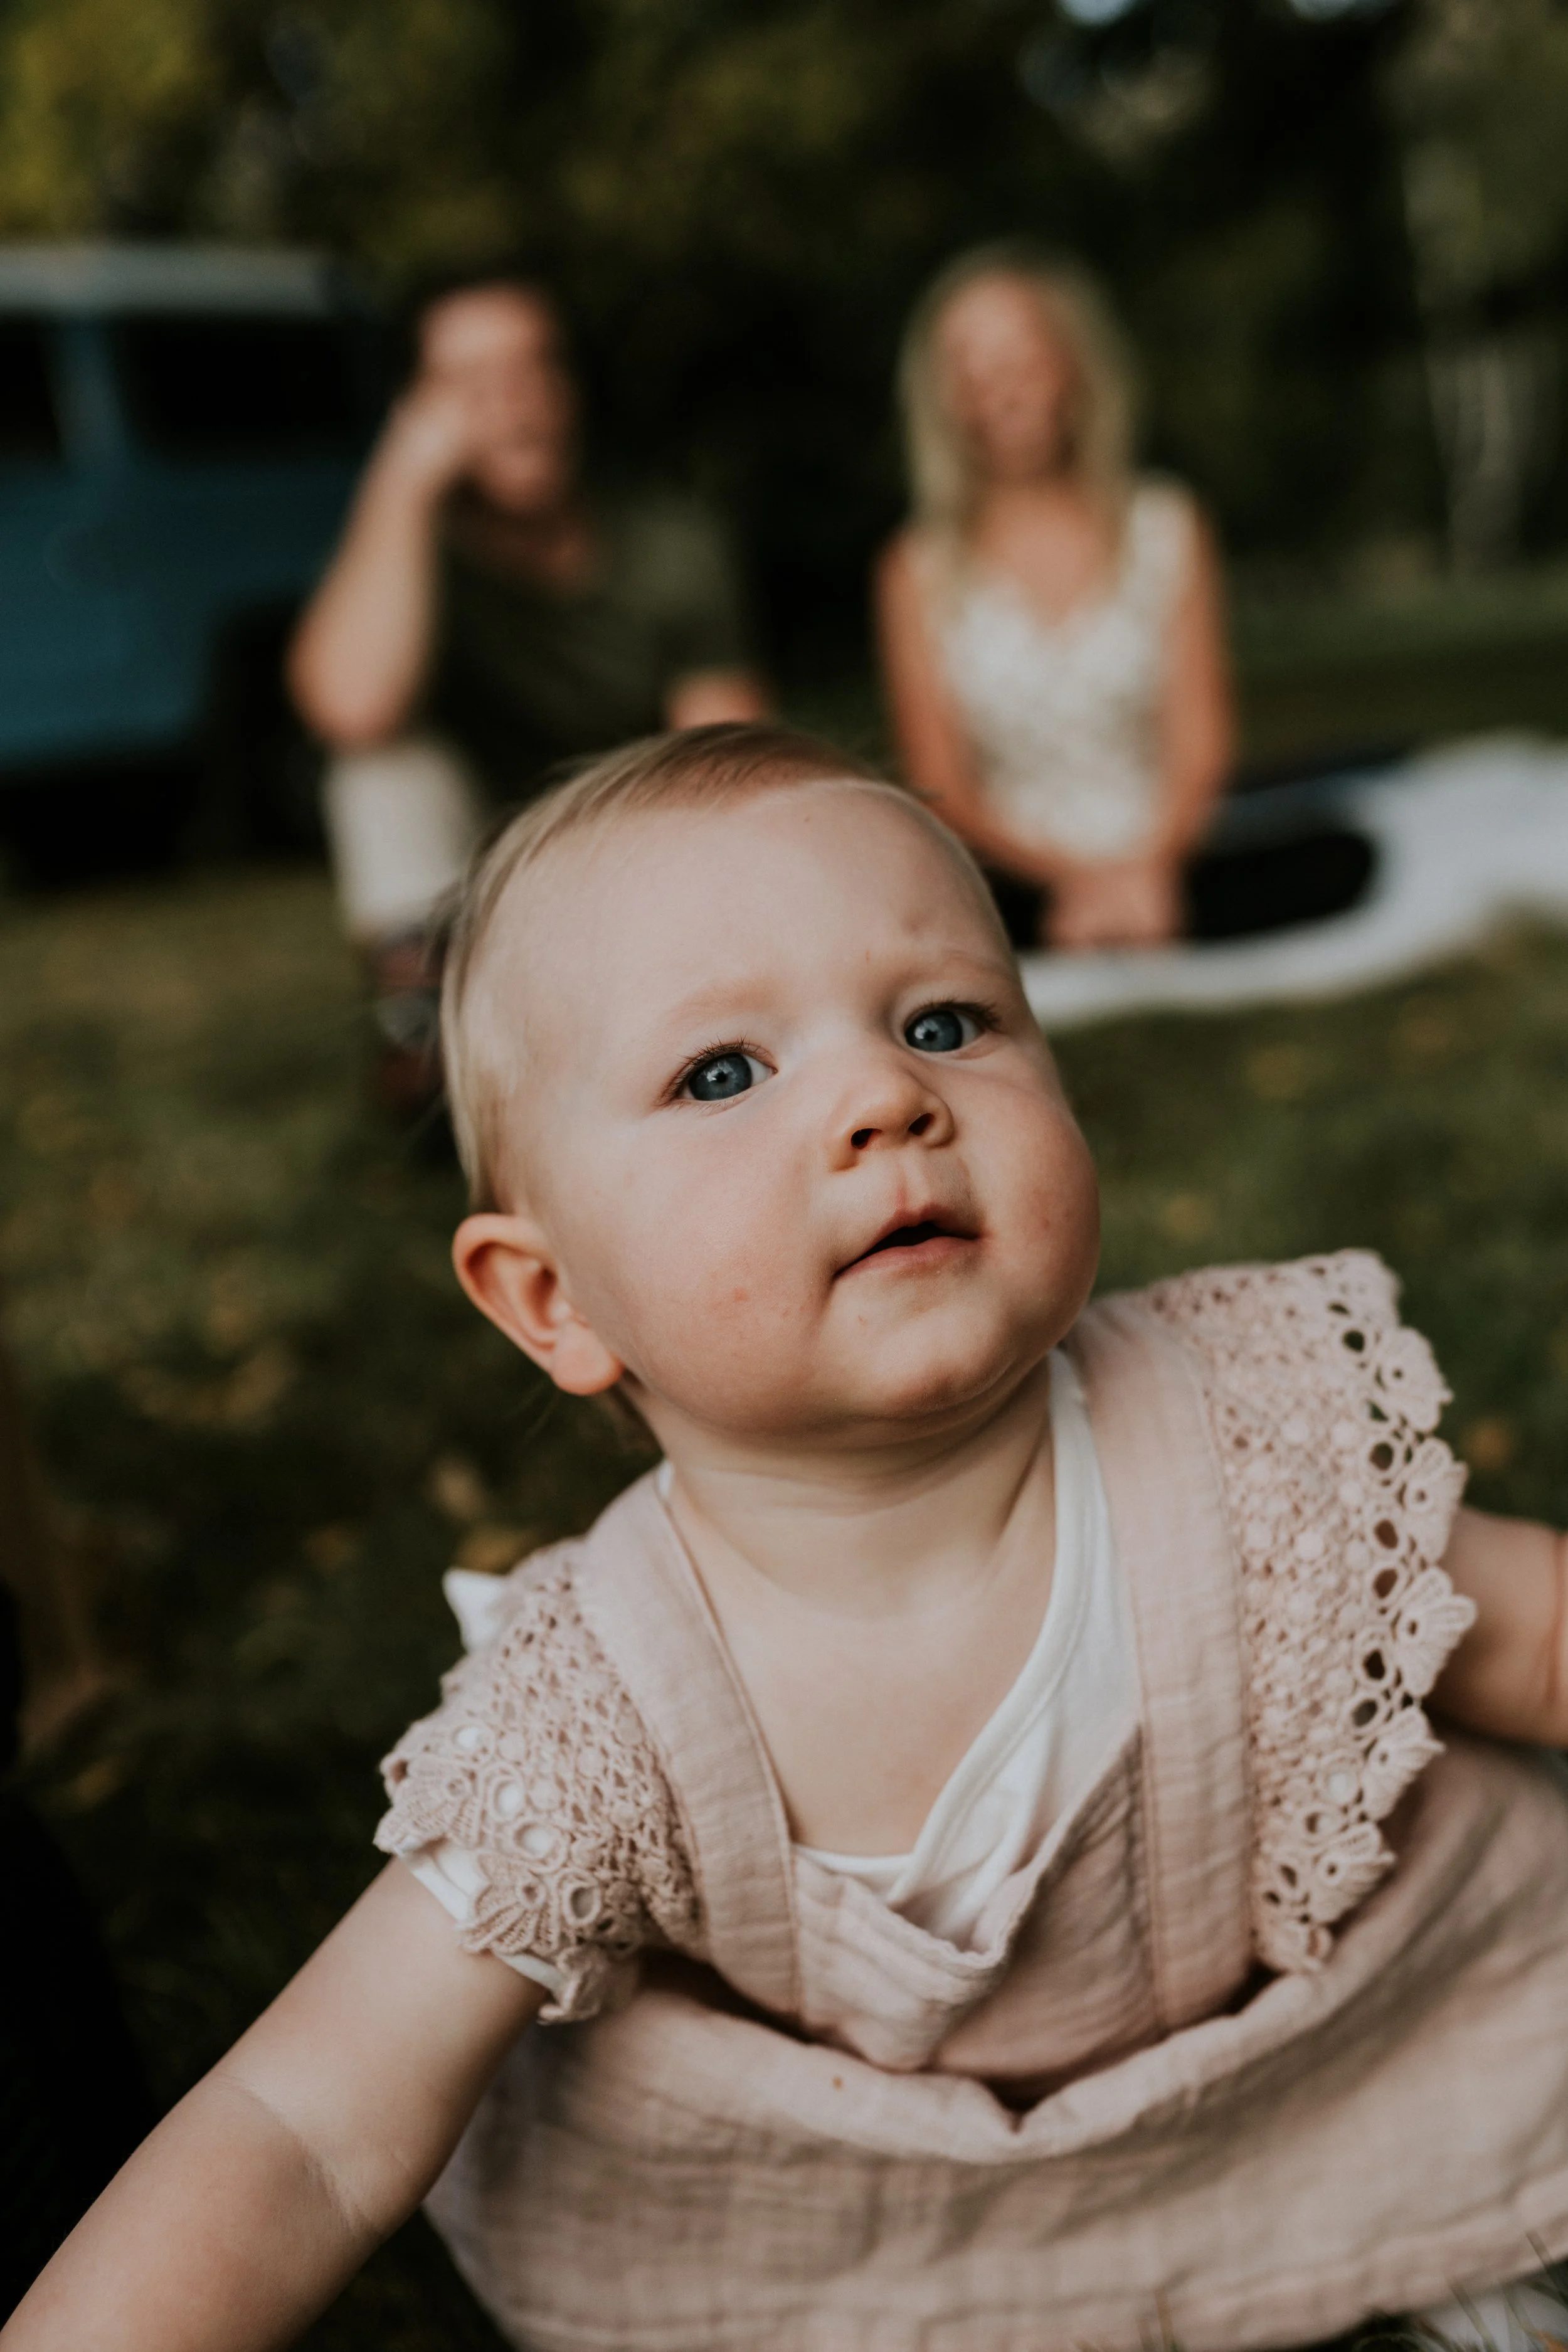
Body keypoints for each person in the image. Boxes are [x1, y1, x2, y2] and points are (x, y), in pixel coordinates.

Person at [14, 721, 1568, 2352]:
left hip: (1336, 2081)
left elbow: (1532, 1631)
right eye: (722, 1070)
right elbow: (306, 2125)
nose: (884, 1095)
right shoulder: (597, 1705)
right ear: (551, 1299)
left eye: (946, 1019)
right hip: (882, 2229)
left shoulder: (1236, 1440)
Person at [288, 276, 767, 1111]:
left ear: (571, 387)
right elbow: (353, 708)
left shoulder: (669, 542)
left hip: (630, 859)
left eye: (534, 369)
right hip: (468, 890)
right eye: (473, 383)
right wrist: (402, 481)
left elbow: (734, 761)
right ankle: (429, 1042)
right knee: (378, 768)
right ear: (419, 410)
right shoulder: (405, 551)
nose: (515, 405)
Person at [877, 243, 1235, 953]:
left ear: (1072, 363)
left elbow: (1200, 745)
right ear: (941, 395)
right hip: (1012, 884)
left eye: (1020, 353)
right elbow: (940, 785)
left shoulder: (1167, 527)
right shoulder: (912, 570)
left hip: (1170, 862)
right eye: (968, 365)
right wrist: (1077, 884)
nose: (997, 385)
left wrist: (1147, 869)